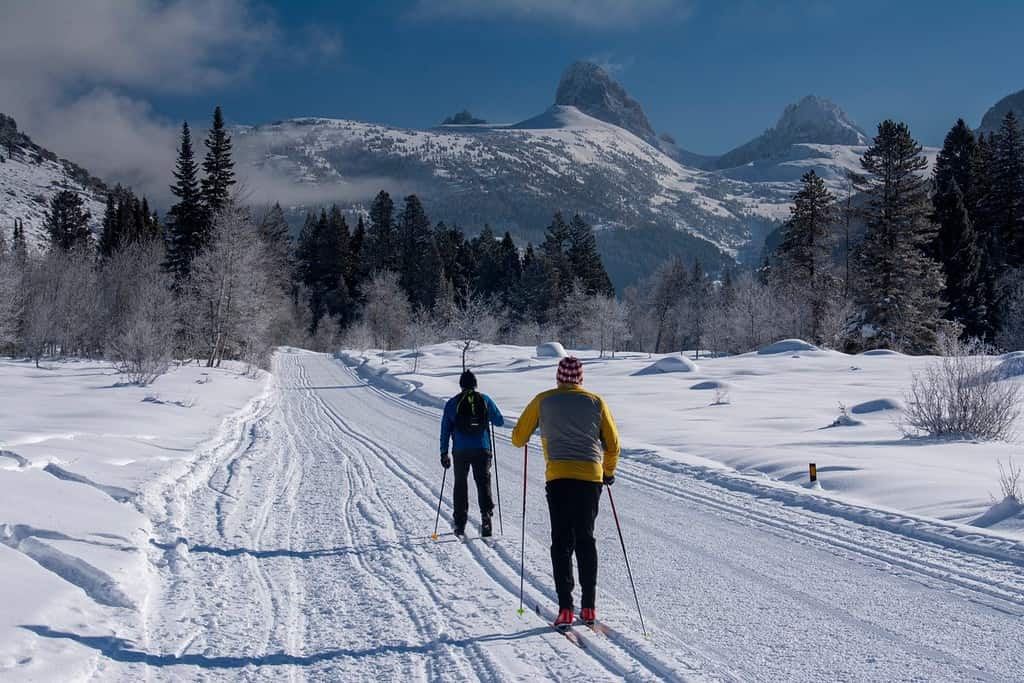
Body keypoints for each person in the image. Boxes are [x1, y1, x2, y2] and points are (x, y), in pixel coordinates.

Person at [511, 356, 619, 629]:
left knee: (561, 541)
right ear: (581, 378)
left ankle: (565, 609)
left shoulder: (543, 400)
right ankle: (590, 607)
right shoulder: (596, 401)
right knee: (585, 538)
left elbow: (517, 439)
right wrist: (608, 472)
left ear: (558, 377)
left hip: (558, 476)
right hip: (590, 478)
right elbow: (613, 445)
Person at [440, 370, 504, 537]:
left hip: (460, 450)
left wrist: (443, 452)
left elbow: (445, 430)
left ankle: (460, 524)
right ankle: (486, 518)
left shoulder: (452, 403)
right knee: (483, 481)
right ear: (475, 384)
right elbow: (500, 421)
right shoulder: (485, 399)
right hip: (482, 448)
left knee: (460, 484)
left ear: (461, 385)